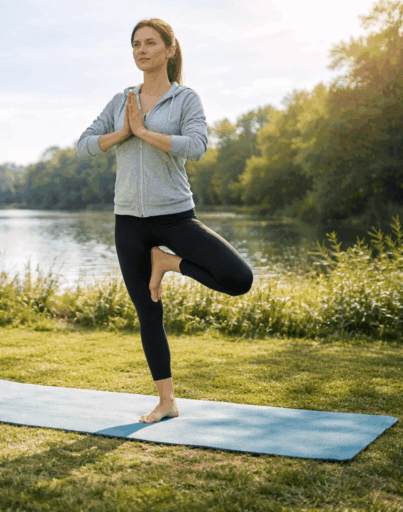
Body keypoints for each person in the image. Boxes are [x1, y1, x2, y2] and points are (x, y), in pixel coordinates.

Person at [76, 18, 253, 424]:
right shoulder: (122, 100)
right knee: (148, 312)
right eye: (135, 44)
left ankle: (168, 262)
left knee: (238, 278)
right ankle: (166, 401)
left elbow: (198, 146)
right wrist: (124, 132)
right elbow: (84, 145)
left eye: (150, 43)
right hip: (129, 223)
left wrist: (145, 132)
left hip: (175, 217)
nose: (141, 50)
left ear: (170, 50)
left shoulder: (185, 99)